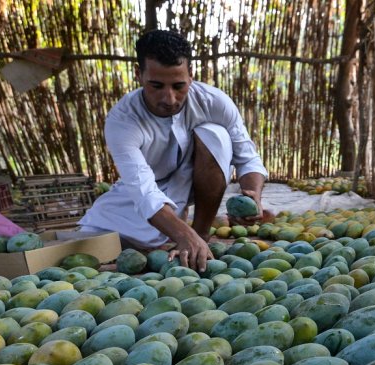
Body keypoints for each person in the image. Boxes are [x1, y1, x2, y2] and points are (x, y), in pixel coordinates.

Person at [76, 30, 271, 272]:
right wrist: (181, 234)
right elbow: (143, 190)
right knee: (92, 242)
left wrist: (252, 194)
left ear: (191, 75)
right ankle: (187, 236)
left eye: (179, 86)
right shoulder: (123, 120)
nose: (169, 98)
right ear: (139, 75)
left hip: (197, 178)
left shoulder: (214, 102)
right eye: (156, 86)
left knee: (216, 135)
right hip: (147, 187)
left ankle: (201, 234)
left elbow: (247, 157)